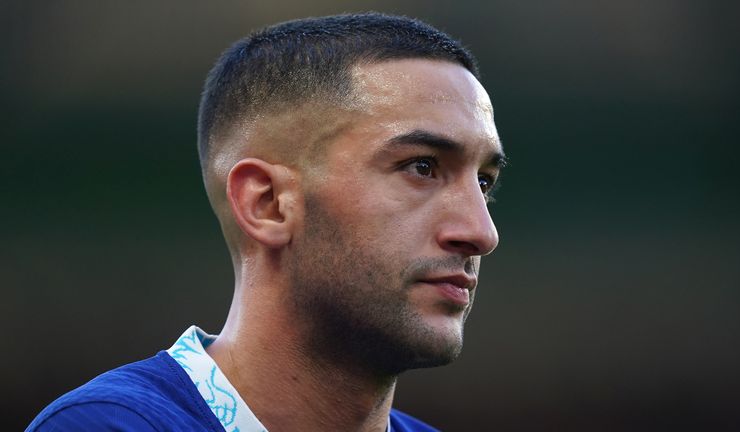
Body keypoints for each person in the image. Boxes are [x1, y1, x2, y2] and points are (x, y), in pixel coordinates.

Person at [27, 12, 504, 432]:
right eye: (422, 166)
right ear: (268, 204)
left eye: (484, 182)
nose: (482, 233)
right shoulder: (109, 426)